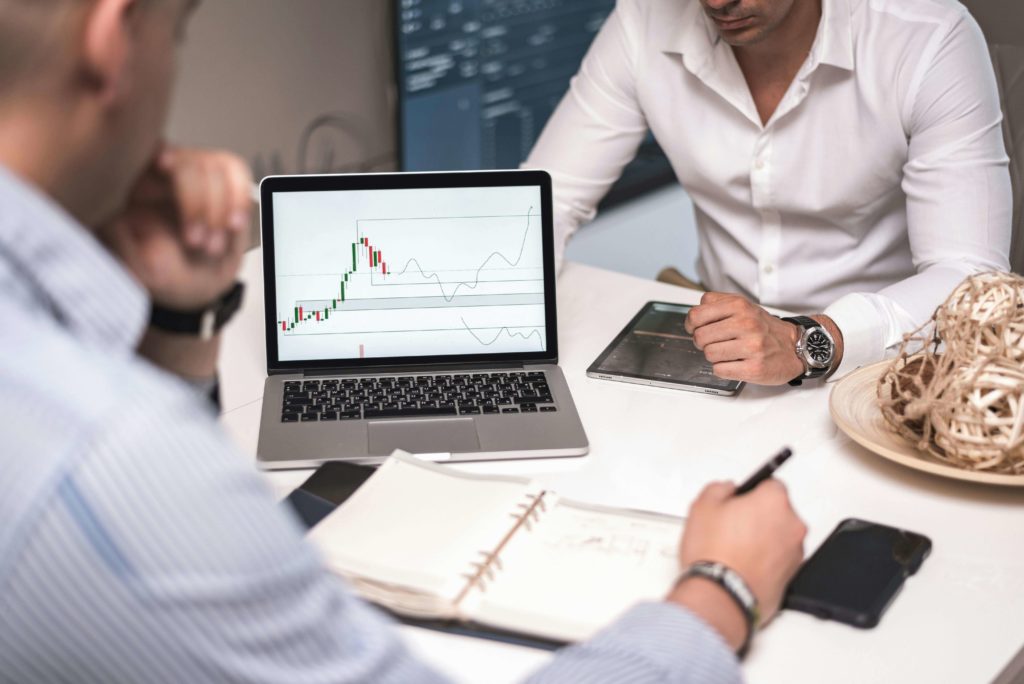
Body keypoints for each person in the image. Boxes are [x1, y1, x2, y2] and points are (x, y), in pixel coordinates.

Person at [0, 0, 806, 681]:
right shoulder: (115, 454)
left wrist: (181, 329)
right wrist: (719, 589)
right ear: (112, 39)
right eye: (174, 34)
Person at [526, 0, 1012, 387]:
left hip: (888, 368)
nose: (717, 1)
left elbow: (973, 278)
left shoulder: (928, 36)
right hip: (717, 362)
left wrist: (809, 340)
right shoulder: (643, 18)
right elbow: (547, 201)